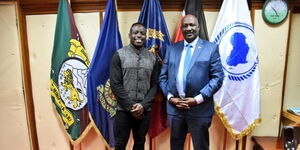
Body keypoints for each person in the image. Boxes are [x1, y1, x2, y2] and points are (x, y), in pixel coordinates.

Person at [159, 14, 224, 150]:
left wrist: (197, 99)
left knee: (201, 147)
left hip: (199, 109)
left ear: (198, 27)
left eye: (192, 25)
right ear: (182, 29)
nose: (188, 28)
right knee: (176, 146)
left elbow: (217, 78)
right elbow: (162, 77)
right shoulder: (172, 49)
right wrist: (171, 98)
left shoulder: (210, 48)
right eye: (185, 25)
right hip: (175, 109)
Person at [110, 22, 159, 150]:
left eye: (142, 33)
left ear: (146, 36)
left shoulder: (152, 58)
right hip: (123, 110)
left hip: (144, 111)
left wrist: (143, 106)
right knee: (120, 144)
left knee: (140, 143)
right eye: (135, 32)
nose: (139, 35)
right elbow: (115, 83)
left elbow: (154, 85)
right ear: (129, 35)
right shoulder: (119, 55)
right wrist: (131, 106)